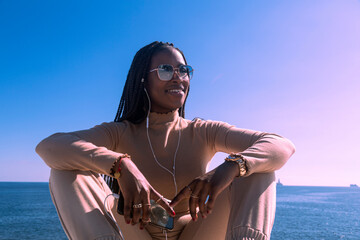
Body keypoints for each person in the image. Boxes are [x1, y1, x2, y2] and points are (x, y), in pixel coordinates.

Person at [36, 41, 295, 240]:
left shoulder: (203, 130)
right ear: (143, 80)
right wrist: (119, 165)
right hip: (135, 231)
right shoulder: (118, 132)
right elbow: (49, 147)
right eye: (165, 69)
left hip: (197, 232)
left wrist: (231, 166)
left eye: (184, 70)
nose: (177, 77)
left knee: (257, 169)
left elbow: (281, 145)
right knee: (65, 172)